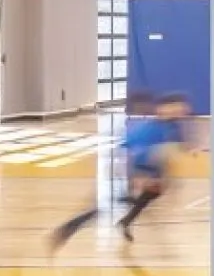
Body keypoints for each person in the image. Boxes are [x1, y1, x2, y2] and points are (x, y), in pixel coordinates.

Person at [49, 94, 190, 252]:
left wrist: (168, 176)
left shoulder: (173, 127)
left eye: (181, 107)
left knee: (149, 194)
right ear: (162, 109)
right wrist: (138, 176)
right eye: (175, 107)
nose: (179, 111)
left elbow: (173, 150)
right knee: (105, 206)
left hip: (149, 173)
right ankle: (67, 229)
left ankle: (125, 221)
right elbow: (133, 152)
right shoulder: (149, 129)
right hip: (126, 171)